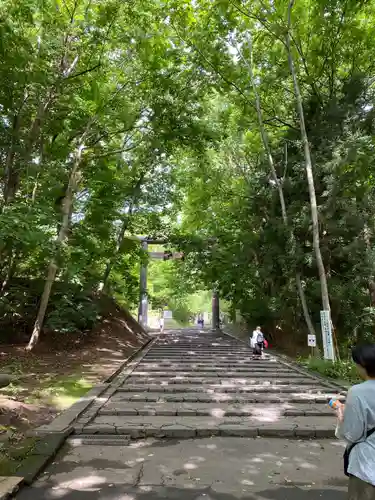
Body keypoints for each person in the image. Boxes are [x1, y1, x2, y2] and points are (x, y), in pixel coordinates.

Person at [335, 344, 375, 499]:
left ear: (363, 365)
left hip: (367, 464)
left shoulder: (357, 392)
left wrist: (341, 414)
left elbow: (352, 434)